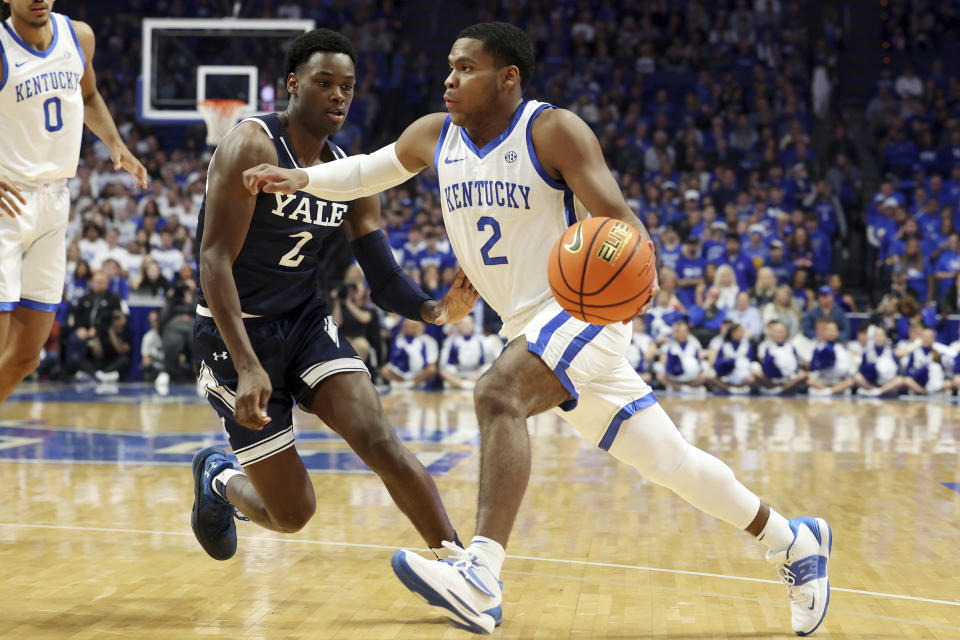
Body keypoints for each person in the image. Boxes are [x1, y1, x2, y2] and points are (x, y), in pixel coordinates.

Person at [242, 22, 831, 636]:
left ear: (508, 77)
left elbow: (619, 218)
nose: (449, 78)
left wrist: (642, 264)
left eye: (466, 68)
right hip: (526, 326)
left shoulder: (551, 130)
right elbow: (367, 172)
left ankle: (480, 577)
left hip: (584, 311)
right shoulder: (434, 135)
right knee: (668, 460)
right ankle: (795, 542)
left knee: (497, 395)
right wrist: (302, 177)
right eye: (449, 65)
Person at [187, 30, 477, 567]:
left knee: (379, 439)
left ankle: (460, 566)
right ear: (293, 85)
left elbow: (382, 275)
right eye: (324, 83)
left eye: (347, 85)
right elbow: (213, 262)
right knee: (293, 513)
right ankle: (220, 477)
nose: (338, 95)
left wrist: (434, 310)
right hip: (234, 334)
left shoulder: (348, 171)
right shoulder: (252, 145)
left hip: (303, 323)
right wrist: (249, 367)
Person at [0, 0, 146, 402]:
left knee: (26, 356)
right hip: (6, 206)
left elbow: (90, 95)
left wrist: (116, 145)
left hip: (55, 204)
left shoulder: (79, 36)